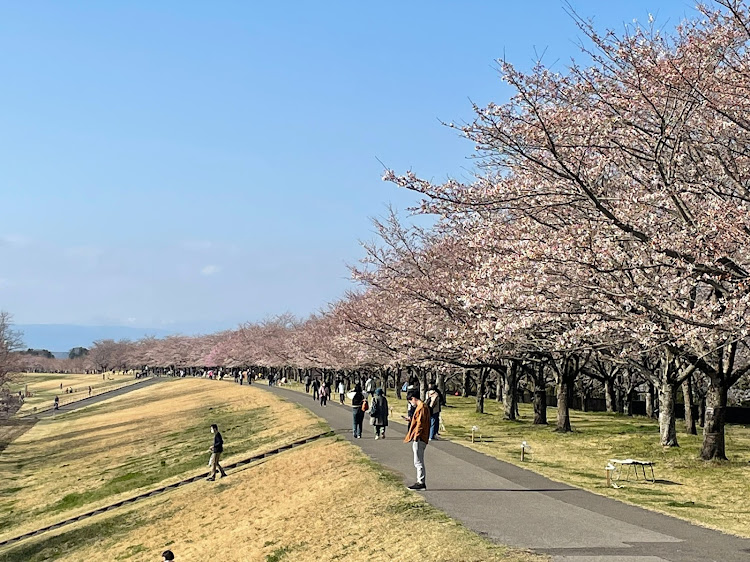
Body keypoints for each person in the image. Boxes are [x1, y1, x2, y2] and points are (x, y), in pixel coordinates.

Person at [404, 390, 430, 490]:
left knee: (418, 461)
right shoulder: (422, 407)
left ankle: (421, 482)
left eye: (411, 401)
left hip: (419, 437)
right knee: (418, 460)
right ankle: (420, 481)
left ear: (414, 399)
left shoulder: (422, 407)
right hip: (420, 436)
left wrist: (416, 436)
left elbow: (420, 424)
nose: (411, 404)